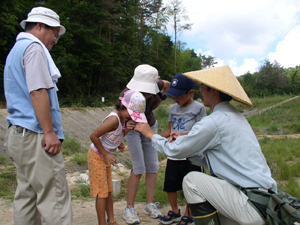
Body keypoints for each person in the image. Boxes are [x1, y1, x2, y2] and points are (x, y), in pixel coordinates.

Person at [134, 65, 277, 225]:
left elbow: (174, 150)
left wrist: (150, 134)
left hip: (249, 203)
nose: (202, 92)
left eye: (203, 88)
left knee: (192, 180)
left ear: (213, 91)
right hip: (265, 201)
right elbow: (216, 160)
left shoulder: (214, 121)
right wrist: (189, 144)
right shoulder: (236, 117)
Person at [3, 6, 72, 225]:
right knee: (56, 200)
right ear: (40, 26)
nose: (55, 39)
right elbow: (38, 90)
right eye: (54, 33)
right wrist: (49, 132)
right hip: (35, 136)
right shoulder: (34, 48)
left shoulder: (17, 49)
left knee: (27, 198)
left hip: (18, 135)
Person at [121, 64, 170, 224]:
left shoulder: (158, 85)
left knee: (152, 165)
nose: (147, 94)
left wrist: (161, 96)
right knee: (138, 166)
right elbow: (121, 116)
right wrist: (124, 130)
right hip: (133, 127)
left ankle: (150, 204)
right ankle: (129, 208)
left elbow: (167, 84)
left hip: (150, 124)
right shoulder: (126, 95)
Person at [88, 90, 147, 225]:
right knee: (101, 193)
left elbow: (114, 135)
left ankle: (111, 220)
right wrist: (107, 153)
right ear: (122, 106)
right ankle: (102, 222)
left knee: (108, 190)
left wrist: (120, 139)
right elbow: (94, 136)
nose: (131, 118)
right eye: (131, 114)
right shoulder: (113, 119)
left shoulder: (123, 119)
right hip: (97, 156)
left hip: (105, 157)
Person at [158, 73, 206, 225]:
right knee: (170, 184)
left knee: (191, 186)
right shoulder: (173, 109)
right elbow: (169, 130)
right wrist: (154, 137)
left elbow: (201, 132)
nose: (176, 99)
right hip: (174, 154)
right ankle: (175, 211)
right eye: (174, 96)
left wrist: (182, 135)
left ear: (190, 93)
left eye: (179, 96)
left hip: (191, 155)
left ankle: (189, 214)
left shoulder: (199, 108)